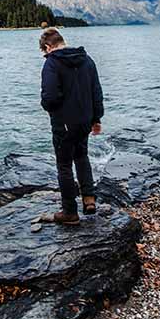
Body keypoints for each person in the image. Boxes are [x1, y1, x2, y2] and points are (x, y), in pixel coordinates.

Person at [38, 27, 104, 225]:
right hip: (85, 121)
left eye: (43, 51)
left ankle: (69, 212)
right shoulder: (87, 59)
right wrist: (96, 118)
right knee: (82, 157)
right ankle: (89, 200)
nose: (44, 54)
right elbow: (96, 91)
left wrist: (48, 106)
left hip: (64, 124)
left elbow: (49, 96)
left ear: (48, 47)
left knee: (64, 165)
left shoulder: (52, 63)